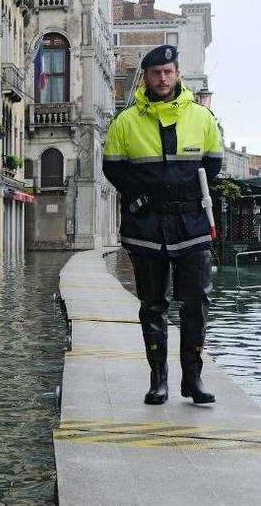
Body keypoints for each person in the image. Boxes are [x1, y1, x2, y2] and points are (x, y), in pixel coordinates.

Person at [103, 45, 223, 405]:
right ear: (146, 76)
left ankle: (194, 379)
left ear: (177, 73)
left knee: (196, 303)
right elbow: (113, 168)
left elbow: (213, 165)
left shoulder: (202, 119)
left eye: (168, 71)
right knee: (152, 304)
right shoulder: (125, 122)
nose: (163, 78)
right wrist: (141, 195)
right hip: (147, 226)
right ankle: (159, 381)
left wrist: (183, 193)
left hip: (192, 225)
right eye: (156, 73)